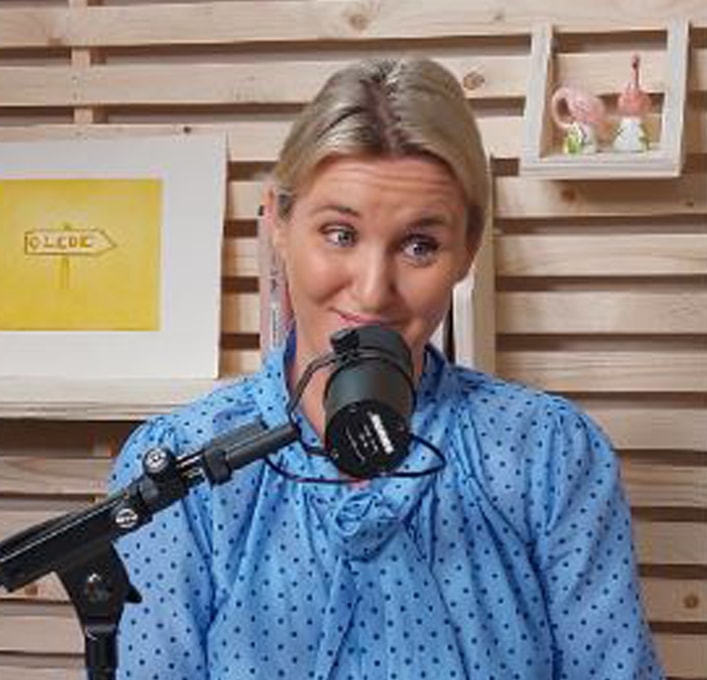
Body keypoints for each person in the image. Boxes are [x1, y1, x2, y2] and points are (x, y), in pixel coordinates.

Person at [110, 57, 664, 679]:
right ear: (279, 224)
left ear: (467, 251)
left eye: (419, 245)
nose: (373, 292)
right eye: (340, 234)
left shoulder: (550, 455)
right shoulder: (177, 469)